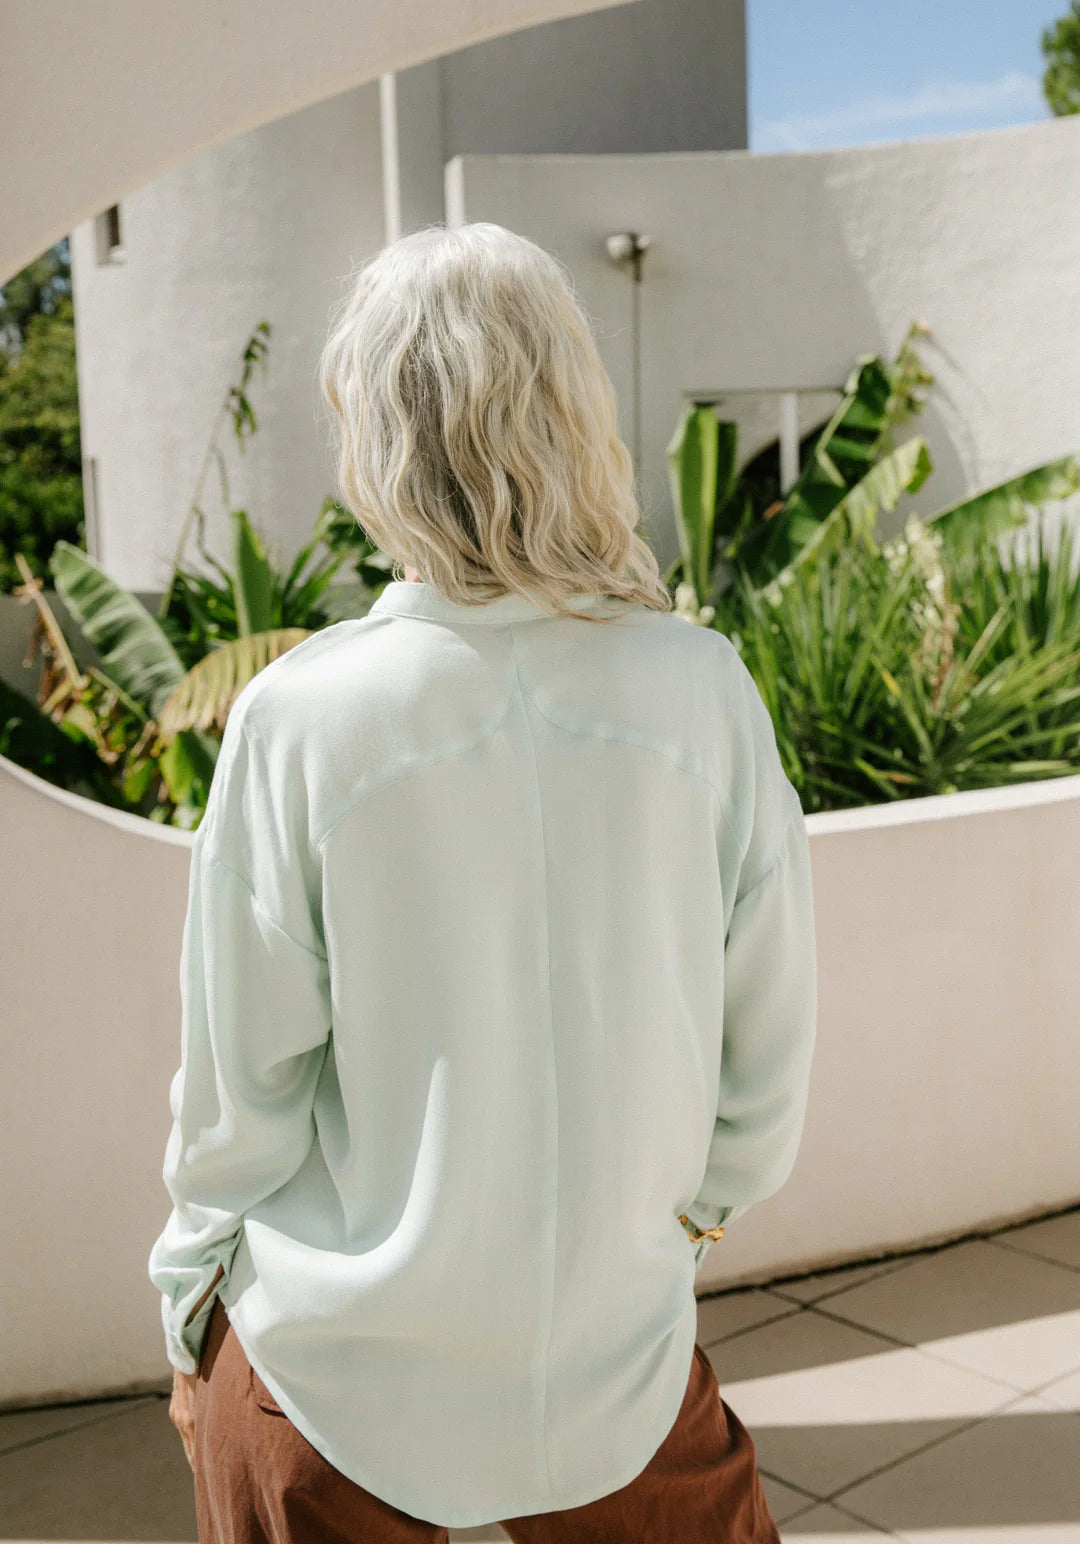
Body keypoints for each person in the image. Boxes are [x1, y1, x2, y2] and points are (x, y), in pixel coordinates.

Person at [149, 220, 818, 1543]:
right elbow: (769, 1046)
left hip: (323, 1373)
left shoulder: (302, 716)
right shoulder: (701, 690)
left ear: (375, 434)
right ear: (575, 407)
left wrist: (187, 1313)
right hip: (617, 1368)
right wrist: (681, 1228)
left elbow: (240, 1091)